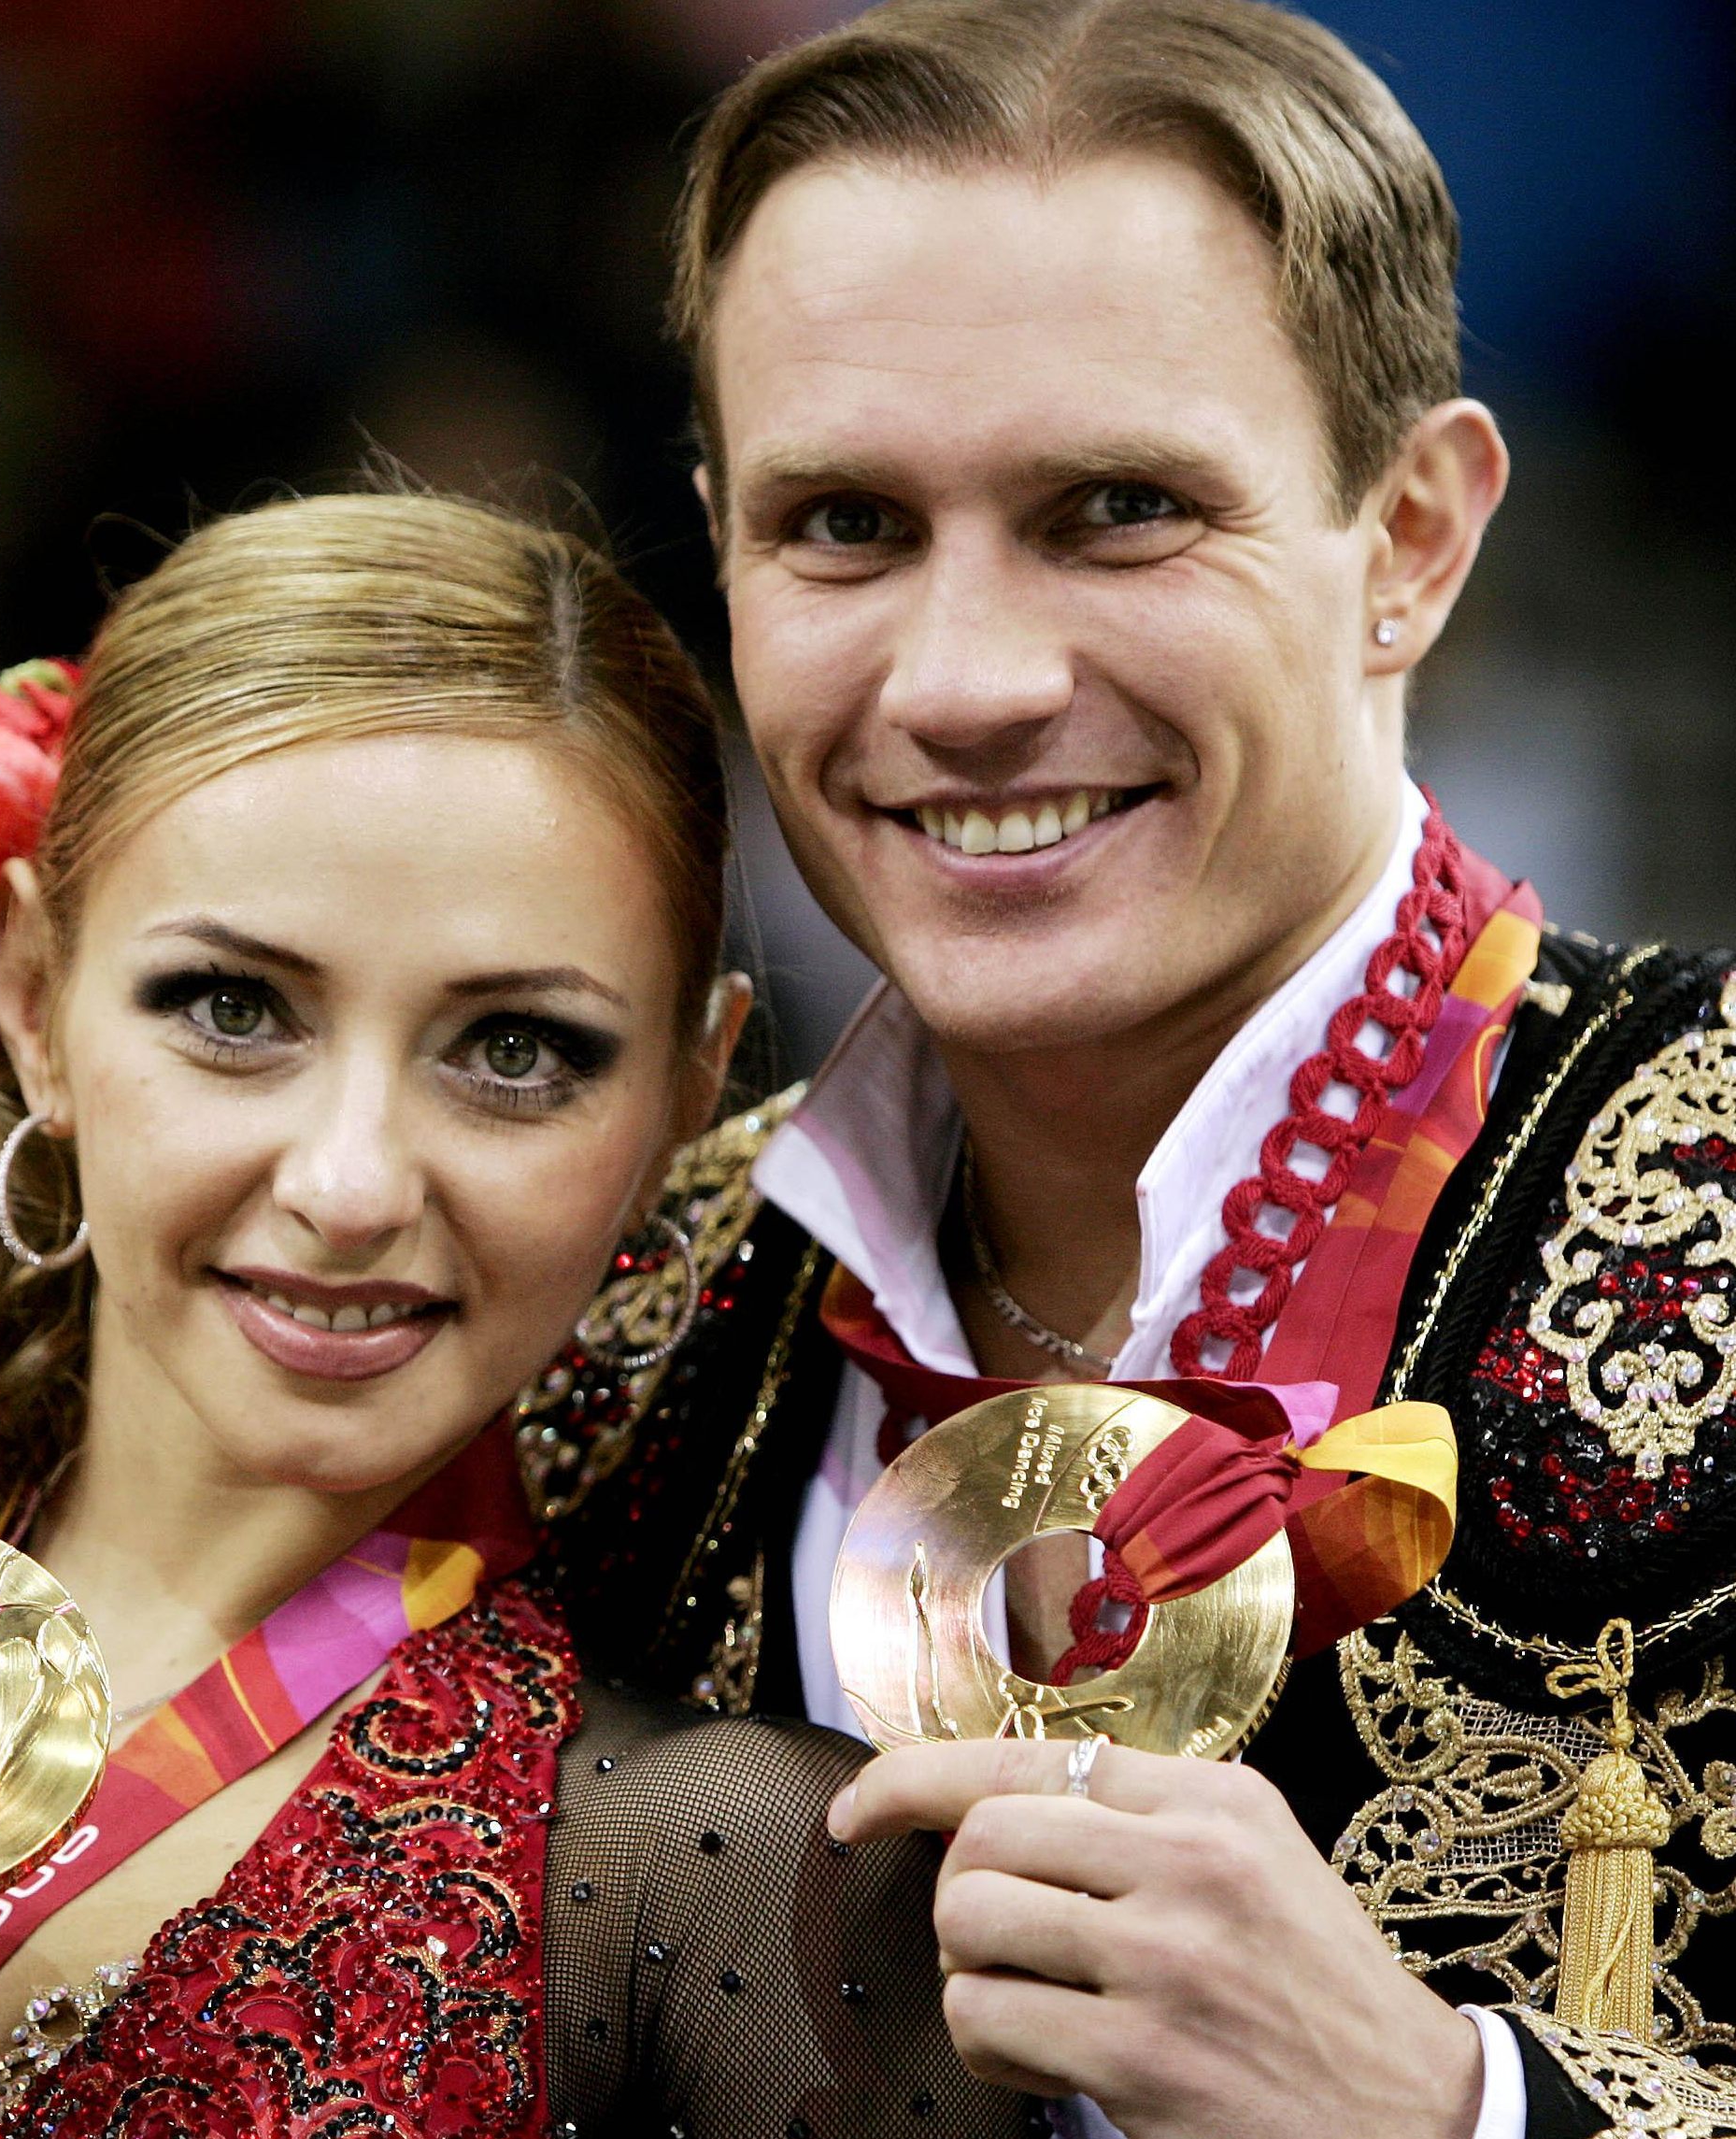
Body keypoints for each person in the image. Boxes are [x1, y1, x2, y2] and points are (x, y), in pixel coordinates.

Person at [522, 4, 1736, 2137]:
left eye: (1113, 509)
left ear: (1412, 540)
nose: (967, 678)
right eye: (839, 526)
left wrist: (1446, 2109)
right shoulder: (600, 1324)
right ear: (713, 538)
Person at [0, 492, 1042, 2136]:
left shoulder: (725, 1886)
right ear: (32, 1001)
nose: (352, 1183)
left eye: (515, 1050)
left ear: (682, 1098)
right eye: (233, 1008)